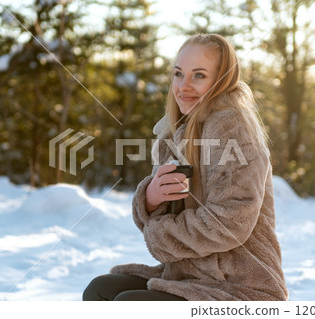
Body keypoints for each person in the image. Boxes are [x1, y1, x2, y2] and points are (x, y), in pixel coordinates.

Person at [83, 33, 288, 301]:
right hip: (188, 275)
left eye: (199, 76)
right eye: (179, 74)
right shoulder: (175, 132)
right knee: (100, 290)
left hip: (239, 284)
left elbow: (229, 222)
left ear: (222, 80)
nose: (183, 86)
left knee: (128, 304)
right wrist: (151, 199)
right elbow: (163, 211)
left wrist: (159, 235)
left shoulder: (234, 129)